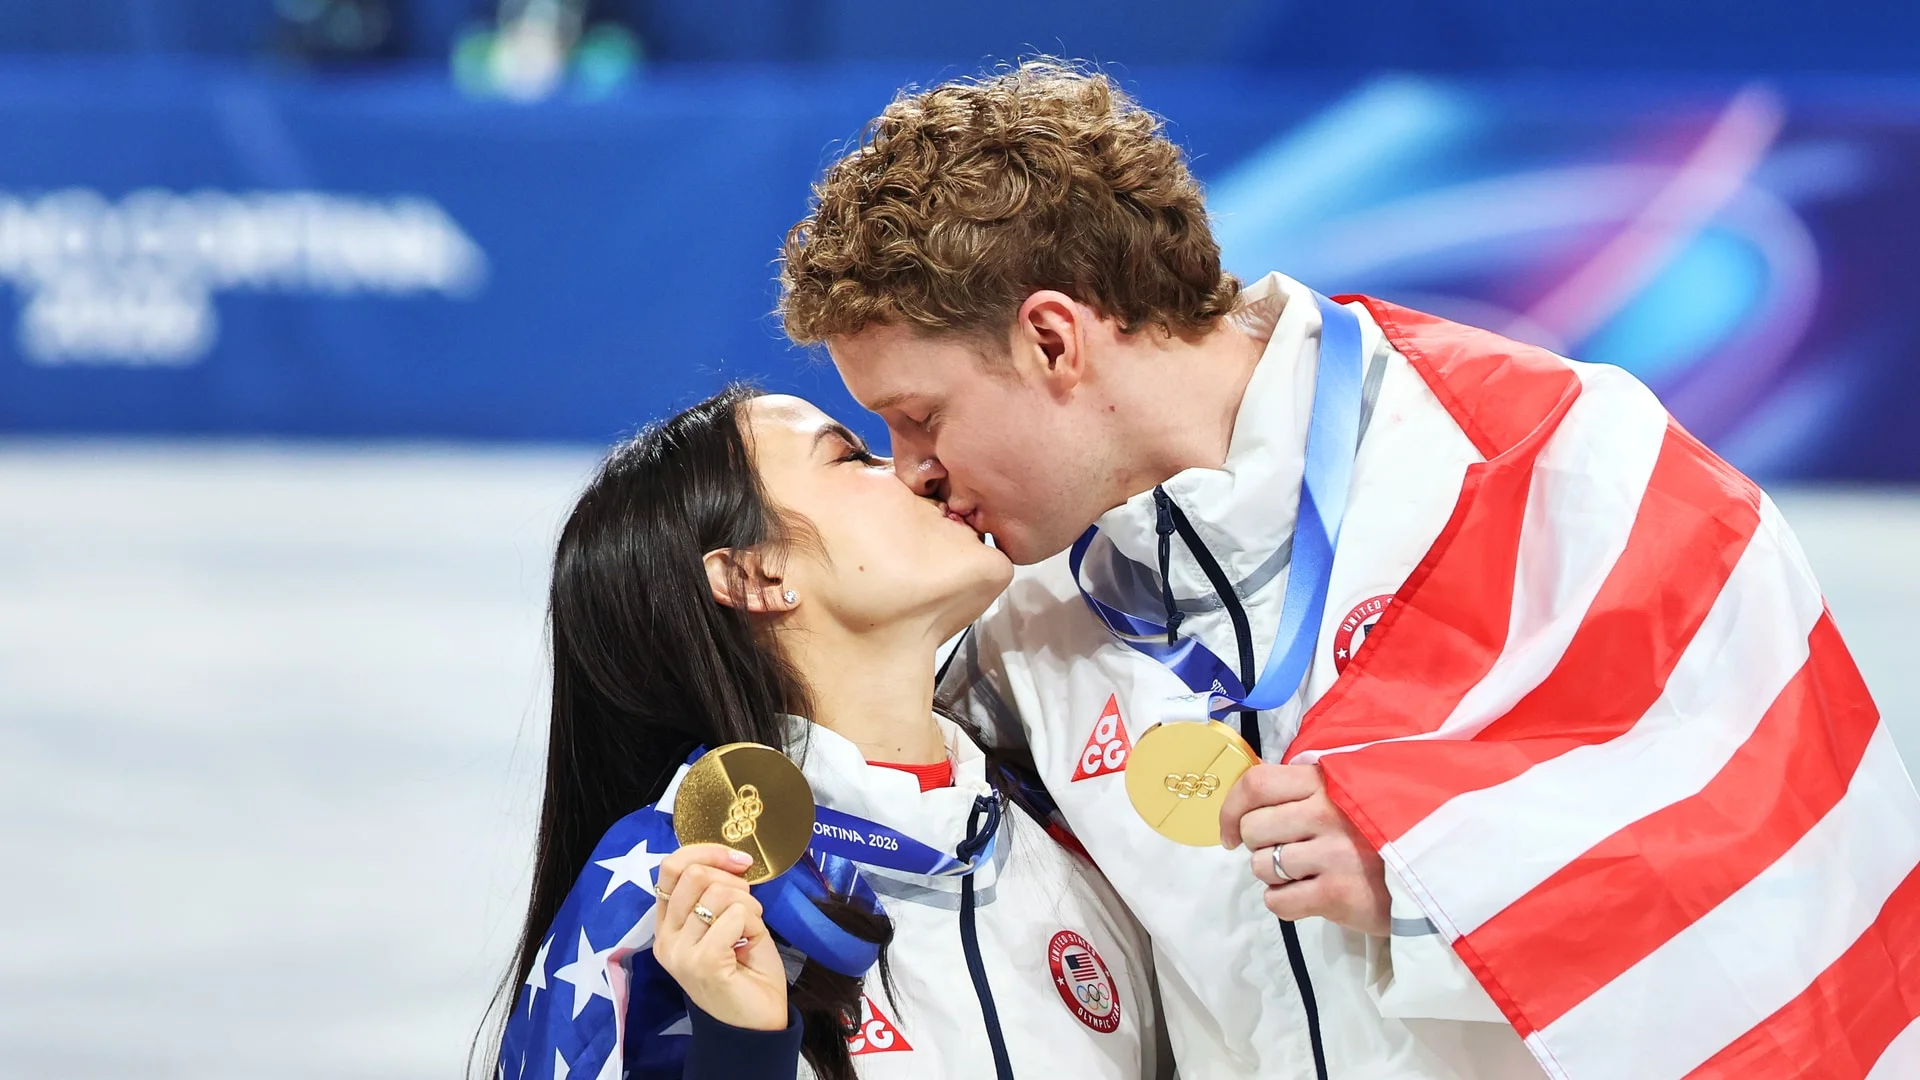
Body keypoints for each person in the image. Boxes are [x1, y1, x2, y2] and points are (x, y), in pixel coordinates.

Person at [777, 61, 1915, 1080]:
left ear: (1054, 341)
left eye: (919, 418)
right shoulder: (1018, 610)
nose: (912, 472)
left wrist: (1436, 866)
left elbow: (1790, 826)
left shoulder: (1542, 458)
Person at [484, 386, 1168, 1080]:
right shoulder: (670, 889)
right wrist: (742, 1055)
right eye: (853, 455)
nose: (922, 471)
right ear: (756, 574)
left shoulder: (1068, 820)